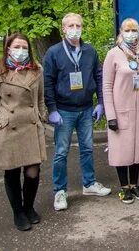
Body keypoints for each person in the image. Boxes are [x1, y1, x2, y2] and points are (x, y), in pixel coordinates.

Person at [43, 13, 111, 212]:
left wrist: (101, 103)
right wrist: (52, 109)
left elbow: (99, 76)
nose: (75, 28)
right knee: (61, 152)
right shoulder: (53, 52)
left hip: (86, 108)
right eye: (71, 25)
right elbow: (47, 82)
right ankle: (59, 191)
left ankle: (89, 183)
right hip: (64, 110)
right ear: (63, 28)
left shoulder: (90, 51)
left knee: (87, 149)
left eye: (78, 25)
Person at [0, 33, 47, 231]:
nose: (21, 51)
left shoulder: (37, 70)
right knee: (11, 173)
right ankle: (18, 212)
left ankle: (28, 207)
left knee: (32, 172)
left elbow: (40, 100)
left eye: (24, 47)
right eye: (16, 47)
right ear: (8, 49)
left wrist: (41, 118)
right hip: (8, 128)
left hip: (30, 126)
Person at [102, 18, 139, 204]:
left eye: (134, 29)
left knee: (138, 148)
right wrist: (110, 115)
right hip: (120, 111)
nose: (131, 33)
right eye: (128, 29)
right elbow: (107, 86)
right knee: (121, 149)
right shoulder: (113, 54)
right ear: (121, 31)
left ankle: (134, 184)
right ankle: (124, 187)